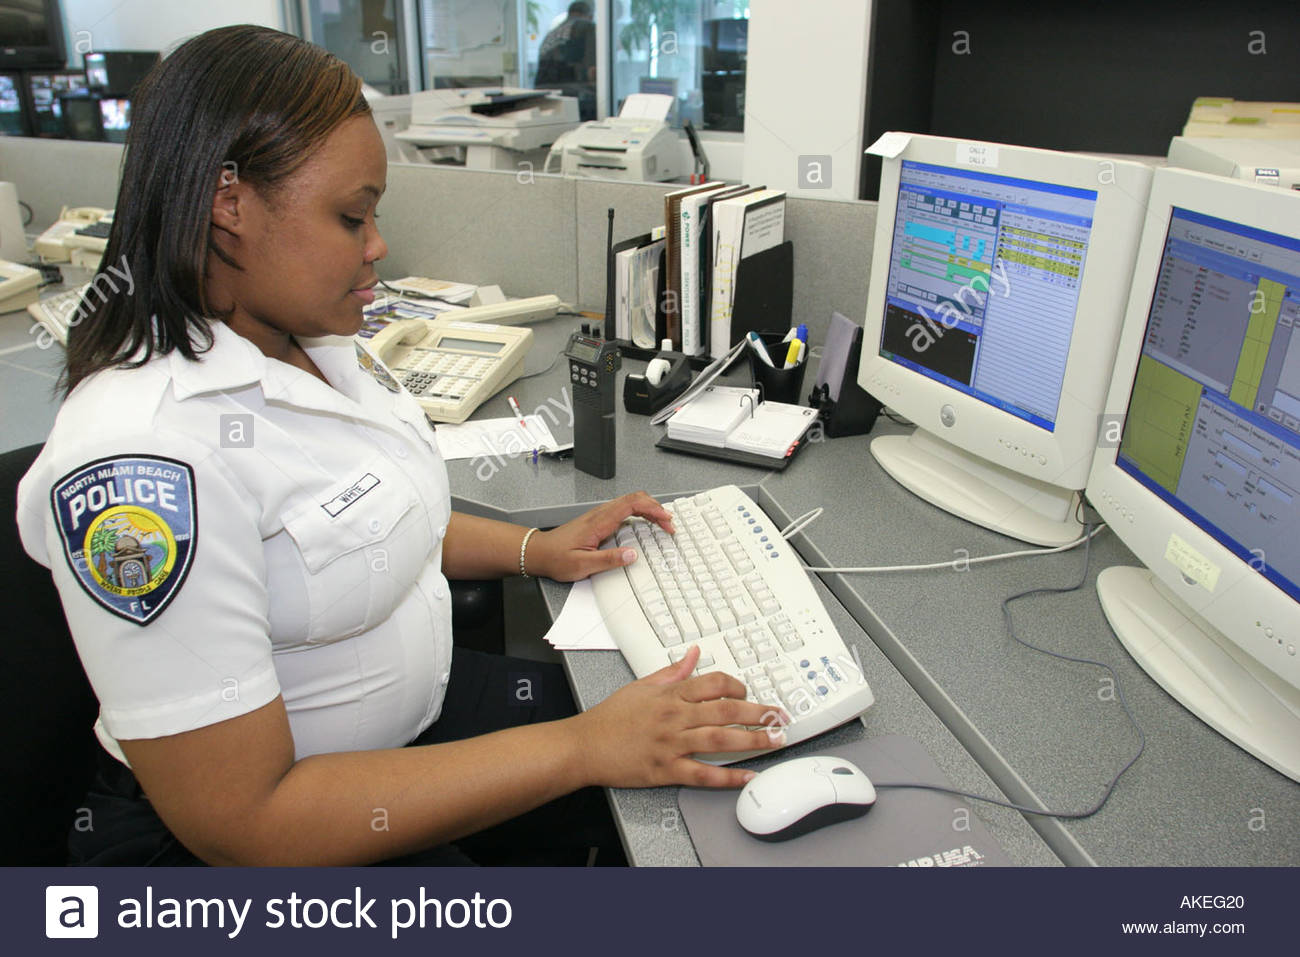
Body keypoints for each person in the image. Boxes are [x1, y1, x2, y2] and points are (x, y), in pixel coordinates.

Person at [15, 25, 784, 867]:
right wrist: (583, 746)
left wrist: (534, 549)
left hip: (410, 723)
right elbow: (247, 824)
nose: (377, 245)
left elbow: (373, 522)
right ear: (227, 208)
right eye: (352, 217)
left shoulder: (310, 338)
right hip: (256, 835)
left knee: (684, 765)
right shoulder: (145, 455)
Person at [534, 2, 596, 120]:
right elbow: (592, 70)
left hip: (543, 96)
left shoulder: (553, 32)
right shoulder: (587, 27)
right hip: (571, 95)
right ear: (590, 16)